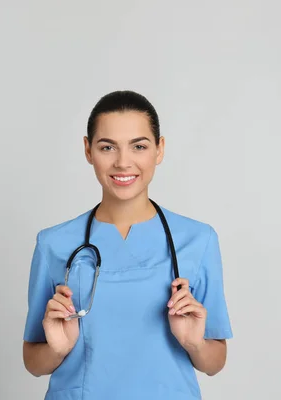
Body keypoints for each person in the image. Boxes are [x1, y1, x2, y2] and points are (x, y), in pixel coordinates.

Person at [22, 90, 233, 400]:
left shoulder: (198, 240)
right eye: (107, 147)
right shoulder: (53, 243)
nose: (123, 162)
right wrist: (58, 348)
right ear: (88, 150)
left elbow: (214, 363)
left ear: (159, 150)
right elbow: (33, 362)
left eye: (139, 146)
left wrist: (194, 343)